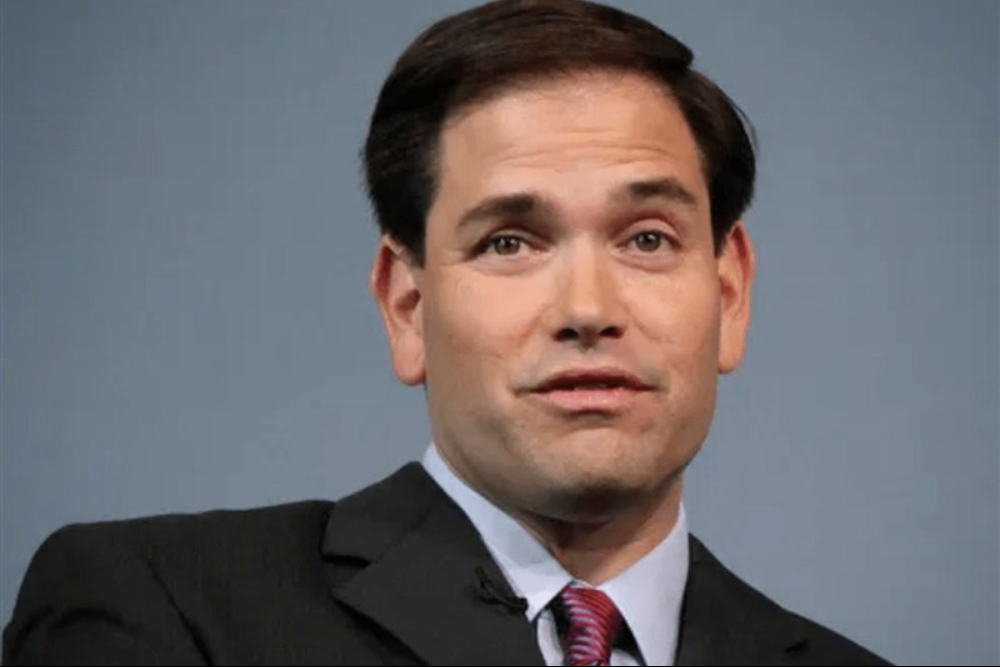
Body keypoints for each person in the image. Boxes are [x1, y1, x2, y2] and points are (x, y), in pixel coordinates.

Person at [3, 1, 892, 665]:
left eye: (648, 239)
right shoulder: (163, 607)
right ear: (407, 306)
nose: (589, 308)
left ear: (729, 293)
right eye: (510, 241)